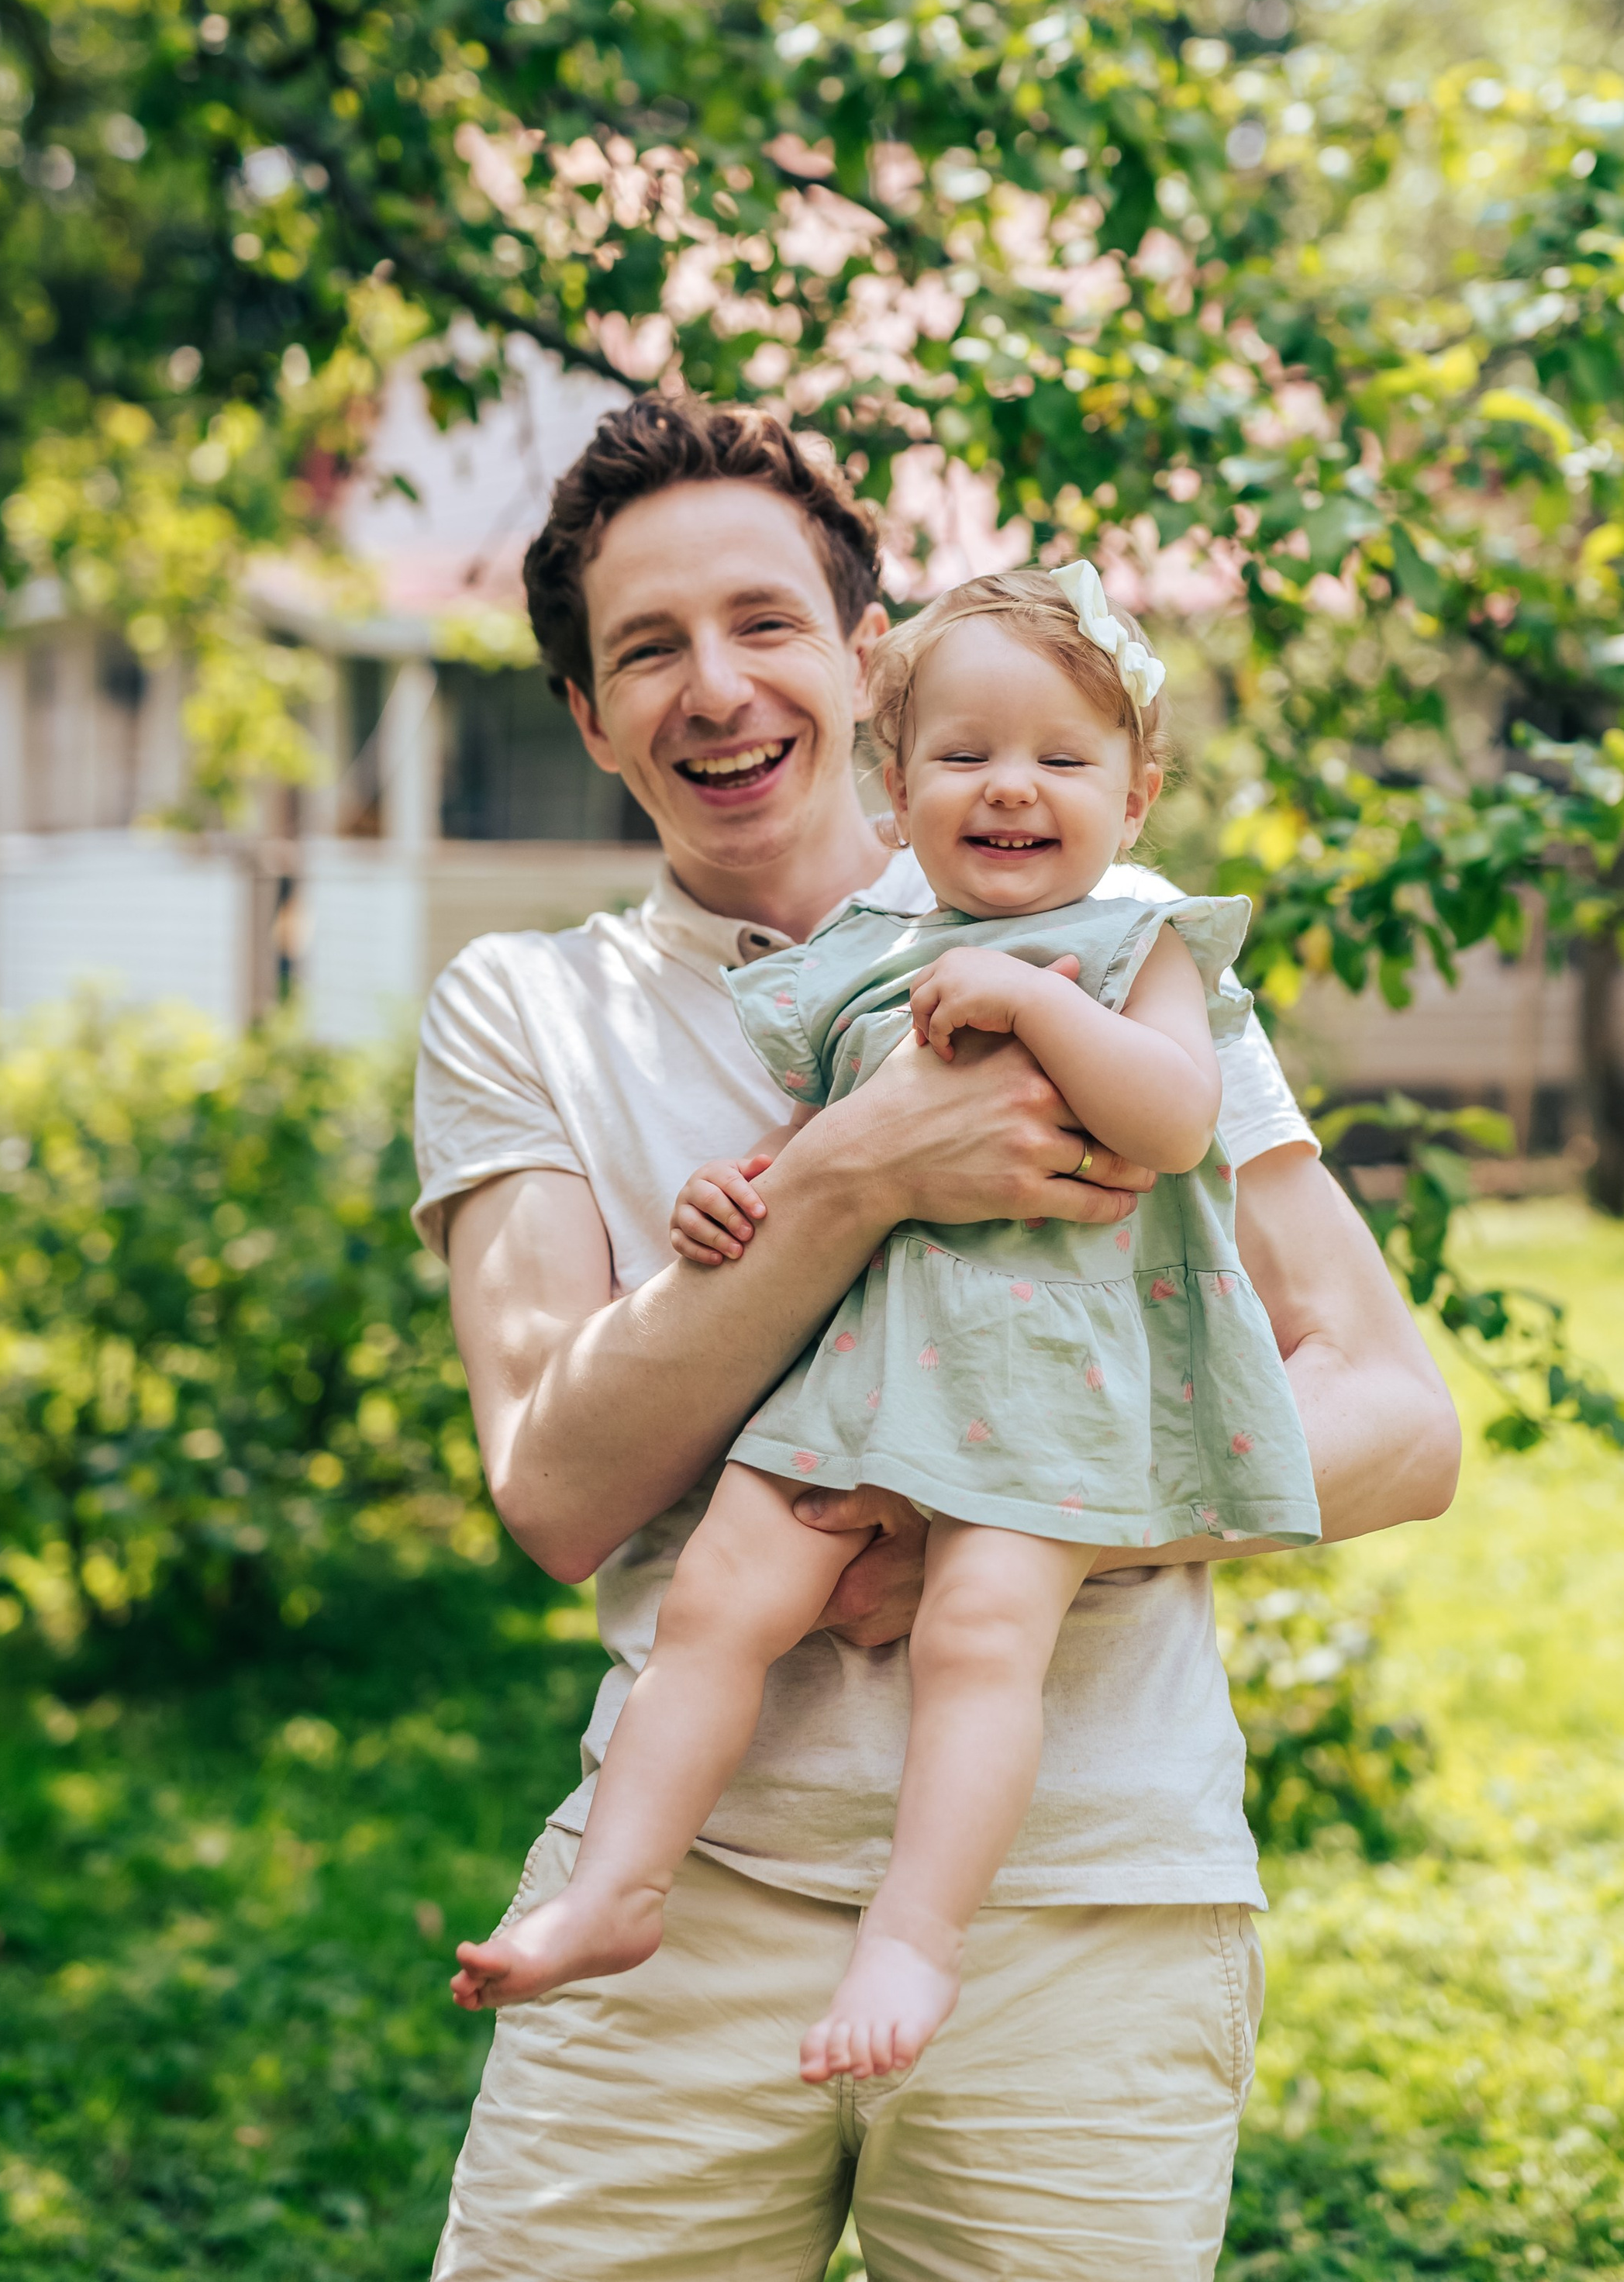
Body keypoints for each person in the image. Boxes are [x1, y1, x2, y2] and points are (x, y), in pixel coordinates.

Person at [414, 394, 1460, 2282]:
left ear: (861, 656)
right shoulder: (525, 1006)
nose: (714, 688)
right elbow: (558, 1486)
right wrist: (857, 1173)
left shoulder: (1111, 945)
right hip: (695, 1902)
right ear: (585, 715)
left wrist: (1008, 1512)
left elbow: (1396, 1415)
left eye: (761, 622)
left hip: (1084, 1904)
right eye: (644, 650)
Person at [448, 564, 1322, 2084]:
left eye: (1061, 759)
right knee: (716, 1600)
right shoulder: (858, 963)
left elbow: (1174, 1120)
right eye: (963, 754)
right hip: (858, 1374)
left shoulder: (1142, 944)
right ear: (895, 784)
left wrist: (1036, 1003)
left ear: (1135, 795)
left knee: (980, 1638)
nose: (1010, 788)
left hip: (1043, 1387)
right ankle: (619, 1885)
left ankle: (914, 1934)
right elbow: (819, 1142)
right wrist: (738, 1194)